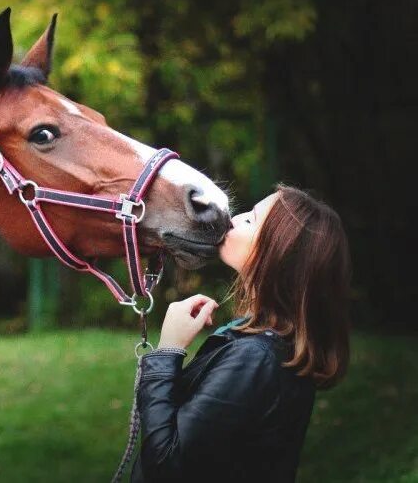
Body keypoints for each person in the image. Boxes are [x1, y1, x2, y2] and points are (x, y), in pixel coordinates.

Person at [130, 184, 352, 482]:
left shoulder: (255, 359)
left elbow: (167, 466)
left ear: (279, 254)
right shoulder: (264, 349)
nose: (233, 218)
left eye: (250, 220)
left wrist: (168, 351)